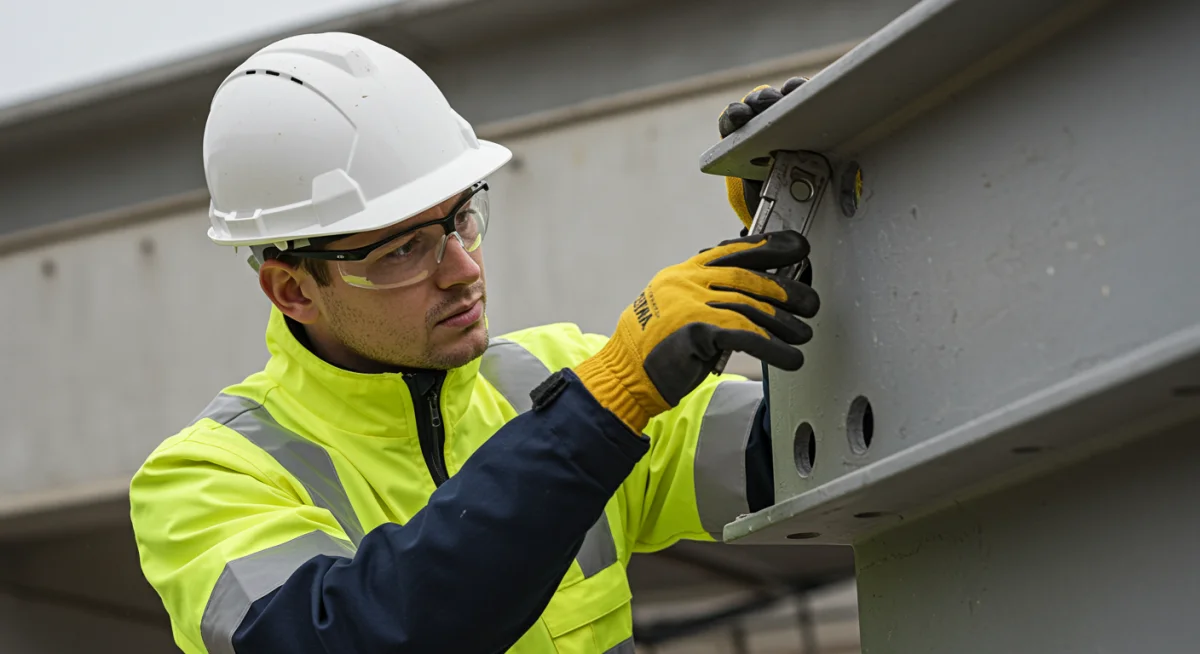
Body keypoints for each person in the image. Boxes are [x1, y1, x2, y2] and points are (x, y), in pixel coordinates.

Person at [130, 31, 815, 654]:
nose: (463, 269)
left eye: (462, 218)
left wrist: (815, 245)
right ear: (293, 290)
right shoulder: (204, 480)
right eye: (404, 250)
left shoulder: (556, 375)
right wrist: (601, 407)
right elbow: (353, 636)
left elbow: (804, 450)